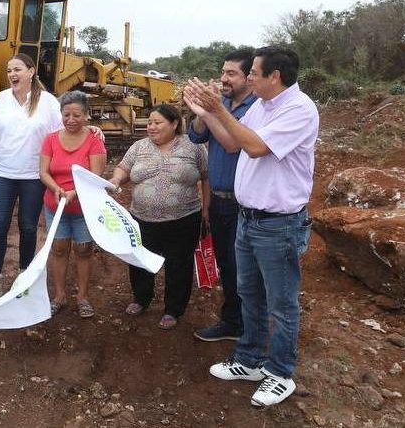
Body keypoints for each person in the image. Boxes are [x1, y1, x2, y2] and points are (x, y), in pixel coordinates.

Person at [189, 46, 318, 407]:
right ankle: (249, 360)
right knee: (250, 293)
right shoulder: (263, 104)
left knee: (282, 304)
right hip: (250, 218)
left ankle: (280, 373)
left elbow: (257, 147)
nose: (247, 79)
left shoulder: (299, 109)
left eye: (253, 73)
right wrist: (207, 112)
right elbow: (232, 143)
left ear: (273, 76)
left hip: (279, 225)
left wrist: (217, 109)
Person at [0, 53, 64, 303]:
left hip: (34, 175)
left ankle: (24, 281)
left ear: (31, 71)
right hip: (2, 174)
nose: (12, 74)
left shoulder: (49, 102)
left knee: (28, 227)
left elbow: (60, 135)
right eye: (9, 70)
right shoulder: (0, 99)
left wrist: (91, 131)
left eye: (17, 69)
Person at [107, 104, 209, 330]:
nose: (151, 127)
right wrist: (115, 180)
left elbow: (206, 176)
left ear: (174, 124)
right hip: (142, 219)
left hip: (183, 219)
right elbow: (123, 169)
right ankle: (141, 299)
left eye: (157, 123)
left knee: (178, 266)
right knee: (140, 262)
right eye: (149, 122)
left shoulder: (193, 146)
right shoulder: (138, 147)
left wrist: (206, 209)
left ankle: (173, 309)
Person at [183, 49, 258, 342]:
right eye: (223, 72)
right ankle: (233, 321)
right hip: (219, 199)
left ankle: (248, 325)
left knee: (243, 266)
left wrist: (211, 111)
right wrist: (204, 110)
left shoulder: (256, 109)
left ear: (249, 77)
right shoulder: (222, 102)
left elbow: (231, 144)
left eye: (231, 73)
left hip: (243, 202)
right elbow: (197, 135)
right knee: (226, 262)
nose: (224, 79)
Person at [39, 91, 107, 318]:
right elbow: (43, 172)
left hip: (83, 207)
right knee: (58, 249)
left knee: (84, 250)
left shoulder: (94, 141)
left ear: (87, 115)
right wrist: (56, 189)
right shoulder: (50, 139)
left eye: (76, 115)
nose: (70, 119)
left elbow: (95, 177)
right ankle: (59, 296)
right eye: (66, 114)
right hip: (54, 204)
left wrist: (75, 193)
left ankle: (83, 297)